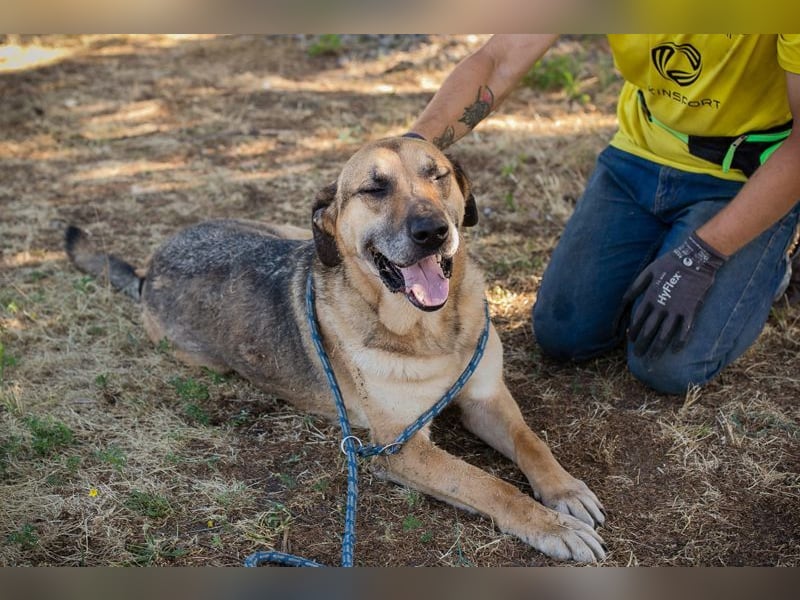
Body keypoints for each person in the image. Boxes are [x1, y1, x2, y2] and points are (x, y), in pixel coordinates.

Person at [407, 34, 800, 394]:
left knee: (667, 367)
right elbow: (499, 57)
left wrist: (704, 254)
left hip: (745, 173)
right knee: (564, 334)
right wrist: (414, 146)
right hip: (640, 153)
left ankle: (771, 262)